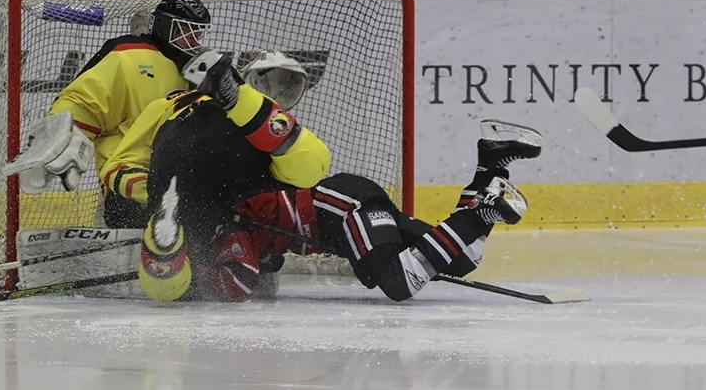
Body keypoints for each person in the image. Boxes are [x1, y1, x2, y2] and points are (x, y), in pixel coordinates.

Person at [139, 120, 541, 304]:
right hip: (346, 202)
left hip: (341, 208)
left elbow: (239, 284)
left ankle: (481, 211)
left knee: (398, 282)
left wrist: (193, 280)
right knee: (462, 259)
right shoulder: (221, 214)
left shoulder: (220, 229)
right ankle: (491, 165)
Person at [120, 48, 331, 302]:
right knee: (313, 164)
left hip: (184, 164)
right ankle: (168, 235)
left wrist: (156, 195)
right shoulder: (261, 132)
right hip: (231, 150)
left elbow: (121, 163)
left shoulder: (171, 103)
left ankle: (163, 245)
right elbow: (309, 171)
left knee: (168, 286)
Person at [3, 0, 211, 228]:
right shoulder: (128, 58)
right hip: (131, 187)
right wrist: (61, 134)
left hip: (181, 187)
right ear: (164, 27)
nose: (194, 42)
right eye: (186, 32)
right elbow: (84, 101)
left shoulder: (197, 71)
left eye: (198, 34)